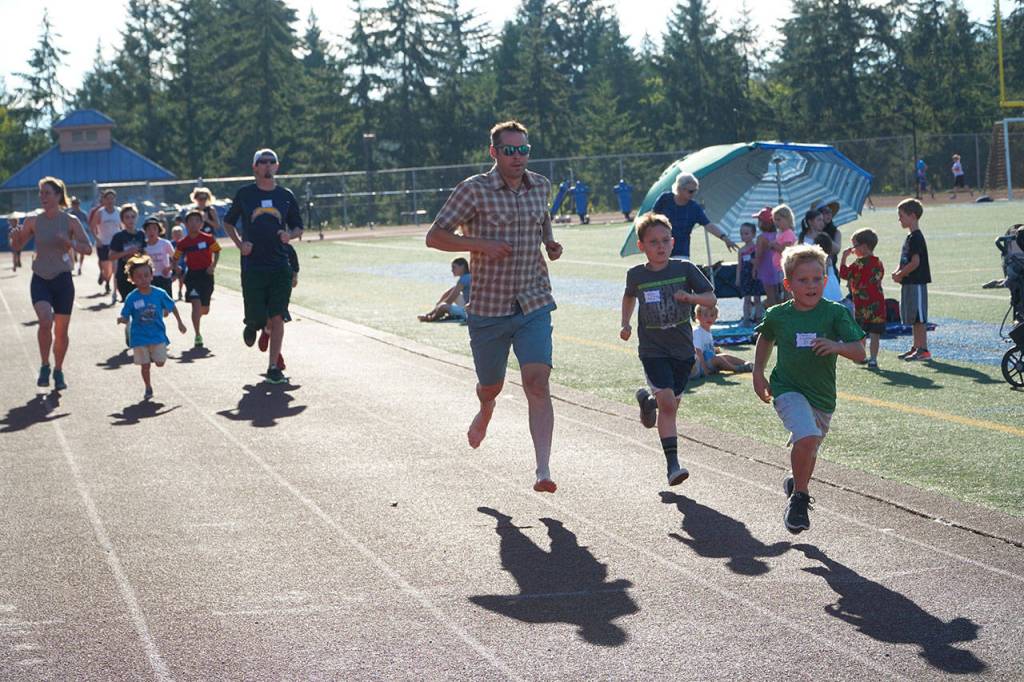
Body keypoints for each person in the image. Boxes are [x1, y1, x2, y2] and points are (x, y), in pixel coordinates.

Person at [425, 120, 563, 493]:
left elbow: (542, 218)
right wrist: (481, 245)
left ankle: (543, 469)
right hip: (489, 307)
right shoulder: (473, 190)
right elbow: (435, 237)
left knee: (537, 382)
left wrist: (549, 243)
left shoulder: (541, 185)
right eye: (510, 150)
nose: (518, 157)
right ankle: (486, 408)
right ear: (494, 152)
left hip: (533, 299)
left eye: (524, 150)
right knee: (491, 386)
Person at [752, 244, 865, 534]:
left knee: (810, 446)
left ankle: (796, 482)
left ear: (825, 281)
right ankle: (799, 499)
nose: (811, 285)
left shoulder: (835, 313)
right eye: (803, 280)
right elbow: (766, 337)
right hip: (787, 388)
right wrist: (758, 372)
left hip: (822, 396)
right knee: (808, 436)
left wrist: (836, 346)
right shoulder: (778, 315)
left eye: (816, 279)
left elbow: (860, 352)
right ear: (788, 284)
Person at [620, 213, 716, 486]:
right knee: (669, 406)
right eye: (653, 242)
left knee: (669, 404)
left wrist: (691, 298)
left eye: (665, 240)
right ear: (642, 246)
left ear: (673, 242)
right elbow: (629, 296)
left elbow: (710, 297)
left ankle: (648, 402)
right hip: (653, 350)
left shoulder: (684, 269)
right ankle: (673, 465)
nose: (660, 246)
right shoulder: (636, 275)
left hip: (682, 351)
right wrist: (625, 323)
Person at [224, 148, 303, 385]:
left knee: (277, 317)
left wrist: (289, 235)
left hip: (280, 265)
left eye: (272, 161)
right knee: (257, 317)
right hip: (253, 266)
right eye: (263, 161)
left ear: (277, 166)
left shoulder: (285, 195)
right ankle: (253, 325)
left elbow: (298, 227)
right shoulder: (245, 194)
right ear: (255, 167)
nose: (267, 165)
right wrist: (240, 244)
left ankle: (272, 368)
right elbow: (228, 222)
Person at [8, 177, 93, 390]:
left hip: (63, 280)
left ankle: (58, 369)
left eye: (47, 193)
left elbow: (88, 248)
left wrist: (69, 242)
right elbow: (17, 246)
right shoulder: (33, 221)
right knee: (45, 321)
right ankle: (45, 365)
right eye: (41, 193)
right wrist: (15, 237)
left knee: (61, 332)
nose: (42, 197)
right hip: (41, 279)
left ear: (58, 195)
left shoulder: (71, 221)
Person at [117, 255, 187, 400]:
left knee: (160, 363)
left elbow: (172, 306)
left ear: (152, 276)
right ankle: (148, 387)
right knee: (145, 366)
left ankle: (154, 356)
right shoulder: (132, 297)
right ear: (132, 279)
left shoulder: (159, 293)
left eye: (146, 275)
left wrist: (180, 322)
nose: (143, 279)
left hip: (157, 335)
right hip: (139, 337)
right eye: (139, 276)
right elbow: (125, 315)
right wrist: (122, 319)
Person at [651, 173, 737, 259]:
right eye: (691, 191)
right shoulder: (665, 199)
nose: (694, 194)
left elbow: (708, 225)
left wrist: (725, 238)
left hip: (681, 252)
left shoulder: (694, 207)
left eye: (695, 191)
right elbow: (651, 218)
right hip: (660, 249)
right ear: (679, 189)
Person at [172, 210, 220, 348]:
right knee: (195, 304)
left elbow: (217, 251)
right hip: (192, 276)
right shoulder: (183, 242)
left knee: (205, 309)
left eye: (197, 221)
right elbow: (175, 257)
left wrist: (212, 266)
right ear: (186, 224)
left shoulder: (208, 238)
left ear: (201, 223)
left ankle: (199, 313)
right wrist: (176, 267)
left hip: (206, 275)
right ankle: (197, 334)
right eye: (190, 221)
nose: (194, 224)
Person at [892, 198, 931, 361]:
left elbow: (915, 262)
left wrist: (901, 274)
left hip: (917, 282)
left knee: (920, 318)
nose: (899, 219)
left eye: (901, 215)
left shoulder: (916, 237)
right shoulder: (910, 237)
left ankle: (923, 350)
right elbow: (905, 260)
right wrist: (897, 272)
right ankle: (916, 347)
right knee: (914, 318)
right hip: (909, 282)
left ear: (913, 216)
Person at [840, 228, 886, 368]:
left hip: (862, 304)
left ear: (864, 247)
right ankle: (873, 359)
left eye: (855, 246)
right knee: (875, 334)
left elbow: (844, 274)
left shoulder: (858, 264)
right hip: (877, 303)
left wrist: (844, 257)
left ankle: (862, 356)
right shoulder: (878, 262)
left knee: (861, 333)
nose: (853, 250)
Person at [691, 303, 753, 378]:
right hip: (699, 365)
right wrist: (705, 369)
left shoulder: (707, 331)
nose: (709, 318)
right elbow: (698, 352)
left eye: (712, 315)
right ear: (698, 316)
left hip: (708, 361)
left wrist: (714, 351)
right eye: (705, 315)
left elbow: (707, 350)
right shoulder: (697, 331)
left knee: (725, 356)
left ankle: (747, 364)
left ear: (716, 317)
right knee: (719, 359)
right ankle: (737, 368)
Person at [108, 204, 147, 306]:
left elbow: (146, 252)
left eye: (133, 216)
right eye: (127, 217)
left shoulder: (141, 234)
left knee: (141, 305)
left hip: (141, 275)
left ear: (136, 218)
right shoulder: (118, 236)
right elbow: (111, 256)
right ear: (122, 220)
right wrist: (127, 252)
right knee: (131, 304)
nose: (130, 220)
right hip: (124, 275)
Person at [418, 257, 472, 322]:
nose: (452, 270)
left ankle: (430, 318)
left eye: (454, 267)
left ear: (462, 267)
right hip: (469, 306)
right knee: (452, 289)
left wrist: (434, 310)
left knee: (442, 307)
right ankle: (436, 311)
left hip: (468, 312)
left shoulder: (463, 279)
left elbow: (449, 301)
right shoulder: (468, 276)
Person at [89, 189, 121, 295]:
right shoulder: (100, 213)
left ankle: (112, 287)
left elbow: (123, 226)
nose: (110, 201)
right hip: (103, 243)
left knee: (115, 268)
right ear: (104, 200)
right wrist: (97, 239)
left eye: (112, 198)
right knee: (106, 268)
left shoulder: (119, 211)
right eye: (108, 199)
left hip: (116, 244)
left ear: (115, 199)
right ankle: (105, 278)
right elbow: (92, 227)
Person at [753, 207, 783, 308]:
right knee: (777, 294)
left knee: (770, 295)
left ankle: (774, 314)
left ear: (764, 223)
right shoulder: (778, 235)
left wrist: (755, 268)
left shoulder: (761, 238)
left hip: (766, 268)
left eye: (759, 221)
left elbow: (758, 255)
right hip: (777, 267)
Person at [734, 221, 764, 324]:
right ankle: (746, 319)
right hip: (745, 277)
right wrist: (738, 278)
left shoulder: (756, 248)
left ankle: (759, 318)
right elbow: (739, 266)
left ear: (753, 234)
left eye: (746, 233)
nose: (744, 236)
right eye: (741, 234)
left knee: (757, 299)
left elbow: (760, 261)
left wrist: (751, 260)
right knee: (746, 299)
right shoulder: (741, 250)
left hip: (756, 276)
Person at [142, 216, 175, 297]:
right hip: (149, 278)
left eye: (154, 228)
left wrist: (169, 268)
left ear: (159, 230)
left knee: (165, 301)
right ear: (145, 231)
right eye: (148, 229)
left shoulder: (165, 243)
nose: (151, 231)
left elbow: (175, 258)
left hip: (164, 276)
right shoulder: (143, 246)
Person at [813, 233, 844, 302]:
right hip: (832, 282)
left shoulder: (822, 260)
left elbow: (824, 274)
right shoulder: (829, 258)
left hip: (826, 285)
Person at [67, 196, 90, 275]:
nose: (75, 205)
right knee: (71, 248)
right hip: (72, 235)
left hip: (80, 235)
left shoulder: (83, 214)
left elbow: (87, 224)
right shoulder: (70, 214)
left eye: (76, 203)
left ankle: (80, 267)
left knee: (82, 252)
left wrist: (87, 231)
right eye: (73, 204)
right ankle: (73, 259)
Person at [170, 224, 187, 300]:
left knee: (182, 278)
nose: (177, 236)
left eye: (179, 234)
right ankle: (169, 292)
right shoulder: (170, 244)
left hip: (182, 264)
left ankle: (180, 291)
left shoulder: (184, 243)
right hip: (172, 265)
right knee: (171, 279)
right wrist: (173, 266)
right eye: (175, 234)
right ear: (172, 235)